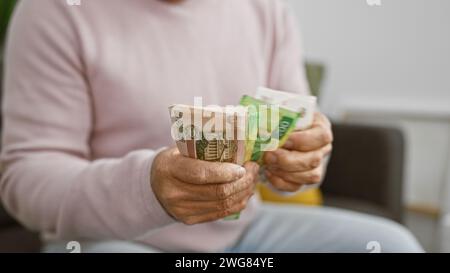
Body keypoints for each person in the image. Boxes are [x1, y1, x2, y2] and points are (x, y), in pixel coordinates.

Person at [0, 0, 422, 252]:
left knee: (391, 245)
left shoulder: (264, 7)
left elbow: (293, 147)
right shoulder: (54, 11)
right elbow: (26, 179)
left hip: (247, 235)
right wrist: (148, 190)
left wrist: (304, 157)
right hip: (112, 240)